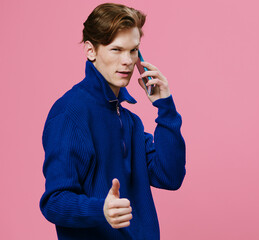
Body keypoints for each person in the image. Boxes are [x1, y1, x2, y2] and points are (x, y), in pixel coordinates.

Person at [39, 3, 186, 240]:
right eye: (116, 50)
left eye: (133, 50)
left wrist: (165, 107)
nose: (127, 61)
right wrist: (100, 210)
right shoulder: (70, 113)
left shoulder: (130, 121)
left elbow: (170, 176)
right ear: (91, 50)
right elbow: (54, 202)